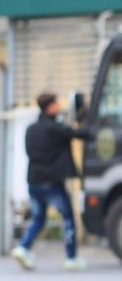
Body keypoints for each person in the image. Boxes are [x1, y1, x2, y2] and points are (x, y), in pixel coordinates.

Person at [12, 92, 90, 271]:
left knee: (39, 218)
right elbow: (79, 133)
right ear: (50, 107)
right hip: (51, 182)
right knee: (69, 217)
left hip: (33, 181)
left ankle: (23, 247)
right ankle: (71, 258)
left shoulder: (31, 129)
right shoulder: (54, 128)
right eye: (56, 103)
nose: (59, 106)